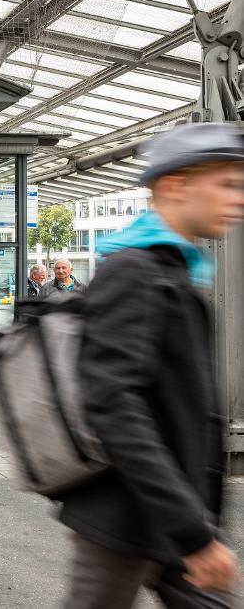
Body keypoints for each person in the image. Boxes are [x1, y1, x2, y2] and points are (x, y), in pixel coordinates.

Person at [58, 123, 244, 608]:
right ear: (176, 185)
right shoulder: (134, 272)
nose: (238, 198)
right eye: (226, 184)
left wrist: (194, 526)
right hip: (125, 520)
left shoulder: (172, 270)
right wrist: (193, 532)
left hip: (172, 516)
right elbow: (114, 404)